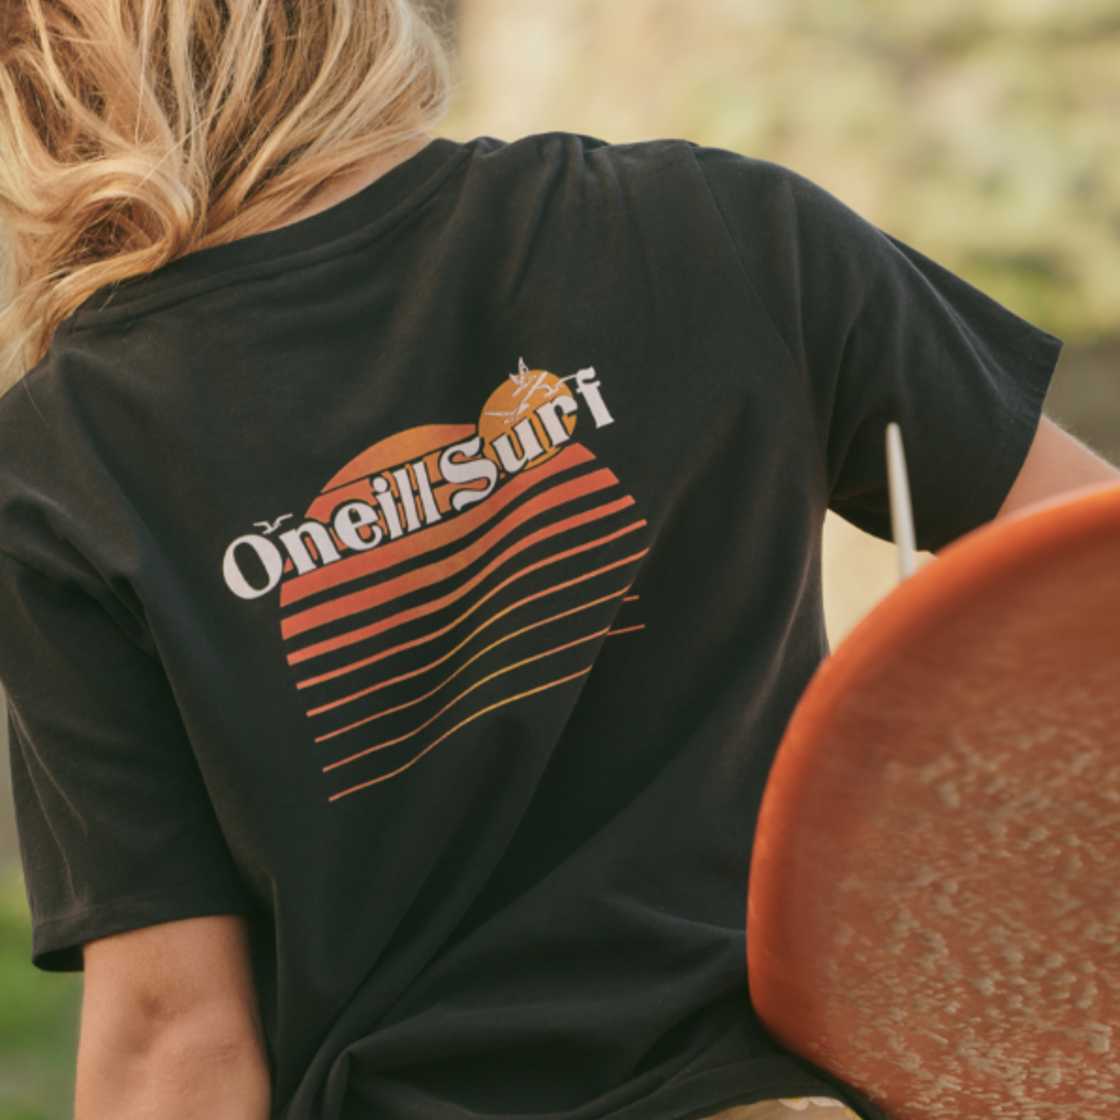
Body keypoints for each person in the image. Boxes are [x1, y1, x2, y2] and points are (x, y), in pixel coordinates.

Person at [0, 3, 1117, 1119]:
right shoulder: (716, 228)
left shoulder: (69, 462)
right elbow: (1092, 574)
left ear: (45, 82)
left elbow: (174, 1034)